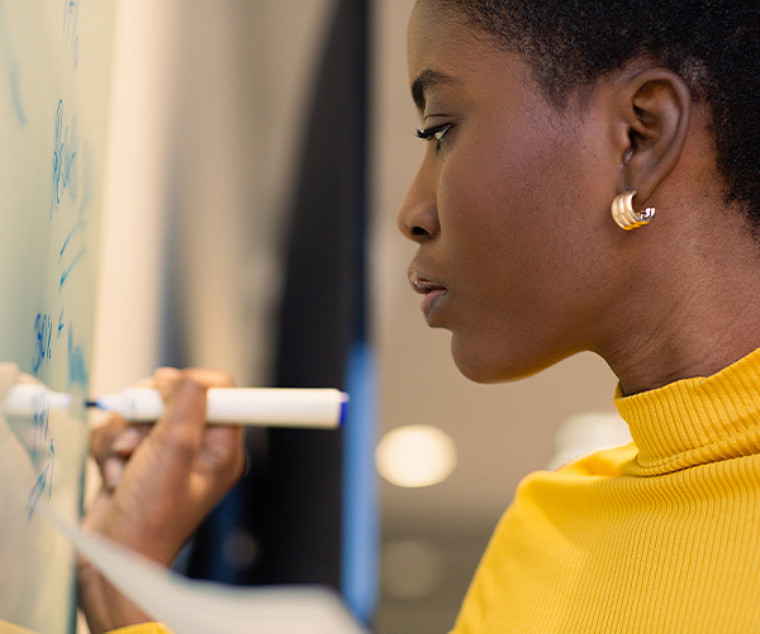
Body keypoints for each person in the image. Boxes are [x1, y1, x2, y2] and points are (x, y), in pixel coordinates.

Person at [79, 0, 760, 631]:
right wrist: (127, 573)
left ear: (639, 136)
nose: (413, 211)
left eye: (440, 129)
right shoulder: (548, 532)